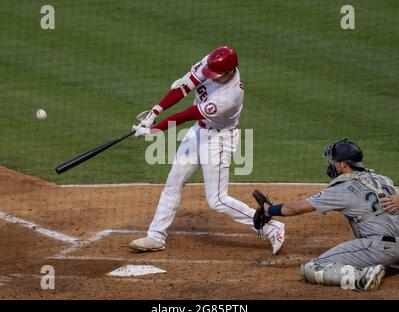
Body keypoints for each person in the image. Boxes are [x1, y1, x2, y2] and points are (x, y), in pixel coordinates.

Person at [128, 47, 285, 254]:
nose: (212, 78)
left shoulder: (230, 95)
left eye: (217, 76)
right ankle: (156, 236)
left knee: (217, 200)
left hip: (219, 139)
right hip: (198, 132)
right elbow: (183, 87)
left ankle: (271, 227)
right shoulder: (212, 63)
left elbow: (189, 113)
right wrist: (154, 112)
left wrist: (155, 130)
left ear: (231, 71)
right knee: (173, 182)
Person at [254, 139, 399, 290]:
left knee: (312, 267)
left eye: (334, 161)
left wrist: (268, 209)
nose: (332, 164)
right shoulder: (383, 179)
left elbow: (296, 208)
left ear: (344, 164)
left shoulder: (342, 188)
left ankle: (363, 277)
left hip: (380, 248)